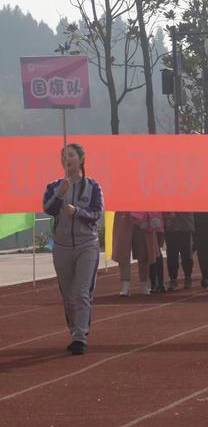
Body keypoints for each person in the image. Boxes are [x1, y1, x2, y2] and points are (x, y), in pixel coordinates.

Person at [43, 143, 104, 356]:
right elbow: (48, 209)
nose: (66, 159)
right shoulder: (54, 186)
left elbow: (97, 214)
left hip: (87, 244)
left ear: (81, 160)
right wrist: (60, 195)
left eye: (70, 155)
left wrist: (77, 211)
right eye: (63, 155)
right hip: (61, 247)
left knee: (81, 292)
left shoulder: (93, 186)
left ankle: (80, 336)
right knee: (68, 295)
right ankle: (74, 329)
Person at [112, 212, 160, 296]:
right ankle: (125, 285)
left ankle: (144, 284)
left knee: (144, 250)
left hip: (143, 215)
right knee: (123, 250)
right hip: (124, 215)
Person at [164, 212, 195, 291]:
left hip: (185, 228)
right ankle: (173, 279)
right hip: (171, 229)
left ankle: (188, 277)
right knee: (171, 256)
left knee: (187, 255)